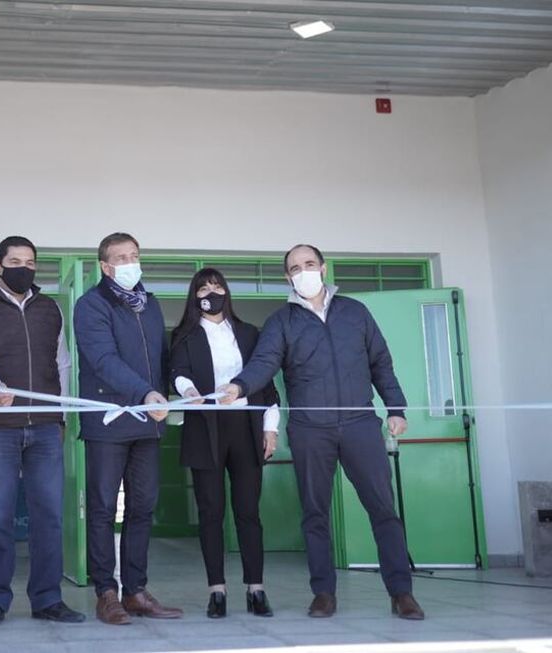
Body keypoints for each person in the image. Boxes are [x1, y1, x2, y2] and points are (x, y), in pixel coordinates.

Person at [221, 244, 425, 620]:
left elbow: (381, 362)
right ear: (287, 277)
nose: (303, 271)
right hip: (310, 429)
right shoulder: (281, 321)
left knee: (382, 509)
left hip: (360, 424)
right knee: (315, 513)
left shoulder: (355, 313)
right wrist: (239, 386)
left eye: (309, 264)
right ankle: (324, 593)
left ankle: (402, 593)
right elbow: (264, 362)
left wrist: (395, 408)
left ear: (323, 267)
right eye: (295, 267)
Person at [0, 236, 86, 628]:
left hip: (45, 427)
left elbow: (61, 365)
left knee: (49, 516)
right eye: (15, 261)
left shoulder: (50, 310)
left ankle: (48, 599)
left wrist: (59, 416)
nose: (23, 268)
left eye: (30, 262)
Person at [73, 232, 183, 625]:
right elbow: (102, 358)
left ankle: (135, 590)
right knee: (103, 509)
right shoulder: (91, 305)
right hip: (108, 422)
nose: (128, 262)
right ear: (105, 266)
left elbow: (161, 356)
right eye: (120, 257)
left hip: (148, 423)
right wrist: (146, 393)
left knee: (143, 507)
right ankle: (106, 592)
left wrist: (176, 388)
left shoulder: (149, 305)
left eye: (134, 255)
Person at [170, 268, 281, 619]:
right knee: (210, 512)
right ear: (194, 296)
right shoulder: (184, 336)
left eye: (217, 286)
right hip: (206, 426)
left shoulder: (249, 334)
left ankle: (256, 588)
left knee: (248, 512)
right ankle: (216, 590)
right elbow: (177, 373)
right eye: (203, 288)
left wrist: (271, 428)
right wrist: (187, 390)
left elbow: (266, 384)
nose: (211, 292)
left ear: (226, 292)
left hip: (246, 428)